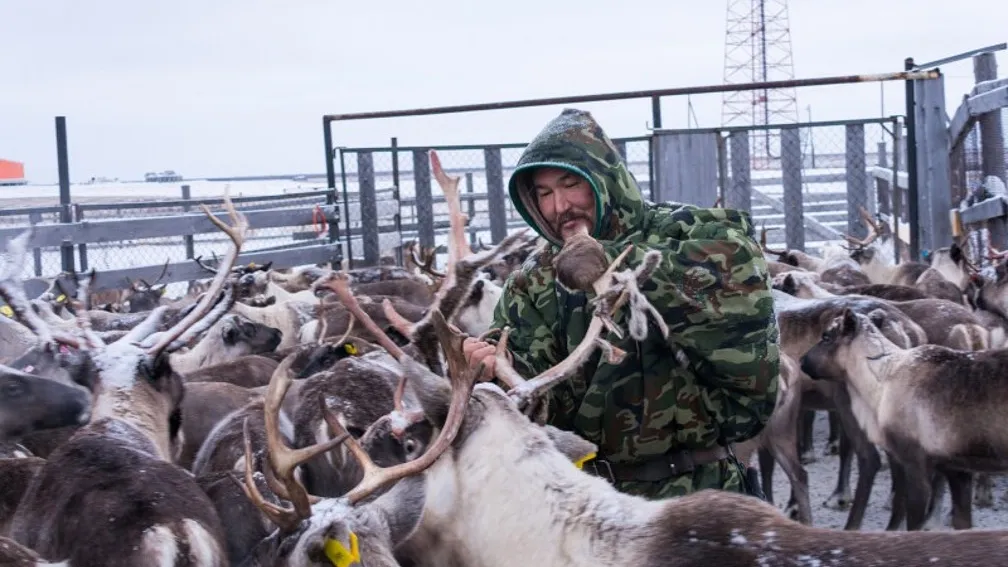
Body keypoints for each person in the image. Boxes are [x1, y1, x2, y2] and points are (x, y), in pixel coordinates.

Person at [462, 108, 780, 499]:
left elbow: (739, 288)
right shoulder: (533, 281)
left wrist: (615, 263)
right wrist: (494, 372)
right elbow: (540, 394)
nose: (560, 205)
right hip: (595, 498)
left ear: (605, 180)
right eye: (544, 193)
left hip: (702, 489)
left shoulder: (684, 232)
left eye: (570, 184)